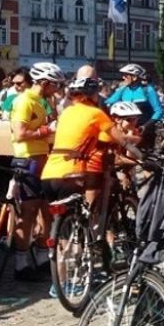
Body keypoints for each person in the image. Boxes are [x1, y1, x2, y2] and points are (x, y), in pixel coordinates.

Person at [41, 77, 140, 296]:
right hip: (72, 173)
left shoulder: (66, 113)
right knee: (80, 227)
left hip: (49, 173)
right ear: (92, 95)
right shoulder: (96, 113)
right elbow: (120, 139)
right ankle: (75, 279)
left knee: (62, 233)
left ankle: (58, 284)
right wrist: (141, 156)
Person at [10, 61, 65, 281]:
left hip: (43, 160)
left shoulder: (42, 101)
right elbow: (20, 133)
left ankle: (42, 260)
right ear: (44, 83)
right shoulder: (24, 101)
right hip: (27, 161)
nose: (58, 89)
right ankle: (21, 264)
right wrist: (46, 130)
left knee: (46, 212)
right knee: (28, 214)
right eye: (55, 85)